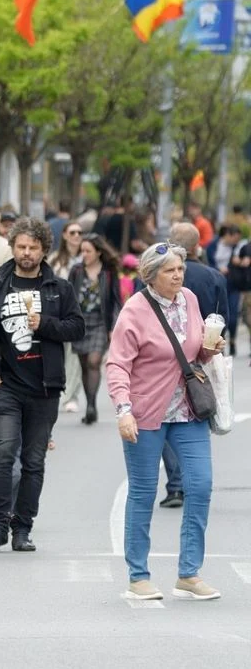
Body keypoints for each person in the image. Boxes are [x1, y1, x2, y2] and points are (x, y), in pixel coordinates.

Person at [106, 243, 223, 601]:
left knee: (200, 486)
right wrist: (123, 410)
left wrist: (208, 346)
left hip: (188, 412)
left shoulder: (188, 298)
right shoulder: (135, 310)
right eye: (170, 270)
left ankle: (189, 573)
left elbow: (191, 351)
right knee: (142, 494)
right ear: (151, 275)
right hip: (145, 415)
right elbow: (117, 364)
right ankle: (138, 576)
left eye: (181, 269)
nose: (178, 275)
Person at [0, 217, 84, 552]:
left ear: (43, 250)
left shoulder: (58, 289)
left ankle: (23, 528)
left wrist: (44, 324)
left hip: (44, 388)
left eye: (33, 247)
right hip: (5, 386)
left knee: (34, 462)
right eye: (21, 246)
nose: (26, 253)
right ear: (12, 247)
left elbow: (76, 327)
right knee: (3, 453)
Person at [157, 222, 228, 508]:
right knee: (199, 414)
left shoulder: (156, 277)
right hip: (203, 357)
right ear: (198, 246)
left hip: (163, 361)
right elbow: (223, 319)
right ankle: (193, 481)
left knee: (166, 418)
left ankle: (175, 485)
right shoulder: (213, 276)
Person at [67, 235, 123, 425]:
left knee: (94, 361)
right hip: (80, 321)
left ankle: (91, 406)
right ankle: (91, 403)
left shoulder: (108, 272)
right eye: (82, 251)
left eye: (88, 251)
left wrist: (114, 327)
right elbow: (68, 296)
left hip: (100, 321)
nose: (84, 254)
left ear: (98, 252)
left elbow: (116, 300)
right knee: (84, 364)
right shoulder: (76, 271)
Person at [48, 221, 84, 413]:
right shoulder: (55, 260)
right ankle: (58, 387)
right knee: (57, 351)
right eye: (72, 232)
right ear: (64, 235)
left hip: (78, 313)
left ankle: (71, 395)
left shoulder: (86, 258)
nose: (76, 236)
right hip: (56, 311)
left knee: (74, 355)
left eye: (79, 232)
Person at [206, 224, 244, 356]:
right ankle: (220, 341)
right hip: (216, 283)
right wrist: (217, 270)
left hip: (232, 284)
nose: (236, 241)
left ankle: (232, 340)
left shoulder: (237, 248)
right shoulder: (213, 246)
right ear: (228, 235)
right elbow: (208, 262)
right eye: (234, 238)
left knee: (232, 315)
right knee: (218, 314)